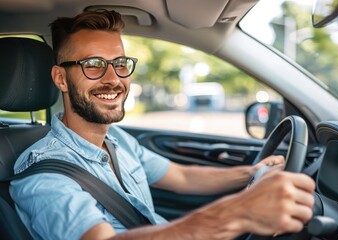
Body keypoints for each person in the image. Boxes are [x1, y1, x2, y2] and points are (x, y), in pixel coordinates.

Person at [9, 10, 315, 240]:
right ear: (61, 78)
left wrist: (254, 173)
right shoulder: (42, 174)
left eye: (120, 64)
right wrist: (238, 212)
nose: (114, 79)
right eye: (93, 65)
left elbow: (182, 176)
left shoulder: (117, 140)